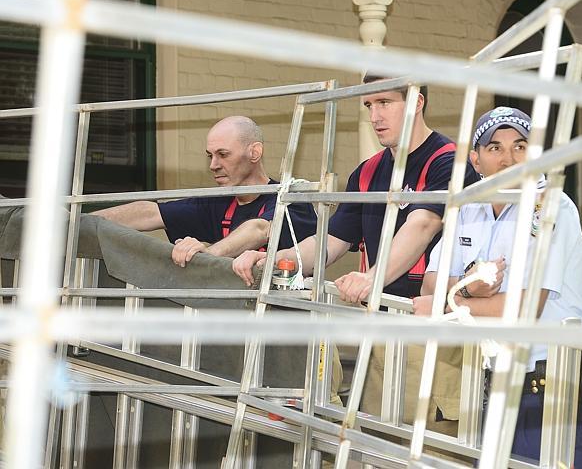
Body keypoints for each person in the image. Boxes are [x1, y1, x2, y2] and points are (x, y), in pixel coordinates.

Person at [232, 76, 480, 438]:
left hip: (430, 327)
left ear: (417, 102)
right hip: (381, 325)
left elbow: (423, 223)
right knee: (377, 443)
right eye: (368, 105)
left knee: (428, 449)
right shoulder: (366, 172)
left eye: (385, 103)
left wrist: (371, 278)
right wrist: (273, 258)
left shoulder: (449, 161)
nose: (375, 115)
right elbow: (331, 240)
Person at [413, 106, 582, 468]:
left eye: (521, 146)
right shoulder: (470, 205)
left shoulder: (552, 205)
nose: (509, 157)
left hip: (552, 386)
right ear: (476, 160)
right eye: (495, 147)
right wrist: (469, 288)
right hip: (493, 380)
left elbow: (526, 308)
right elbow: (429, 283)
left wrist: (449, 303)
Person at [93, 116, 317, 266]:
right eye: (210, 156)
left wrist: (207, 257)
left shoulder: (291, 200)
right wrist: (77, 221)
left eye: (223, 154)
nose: (213, 165)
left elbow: (260, 229)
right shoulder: (218, 203)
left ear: (254, 153)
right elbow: (150, 213)